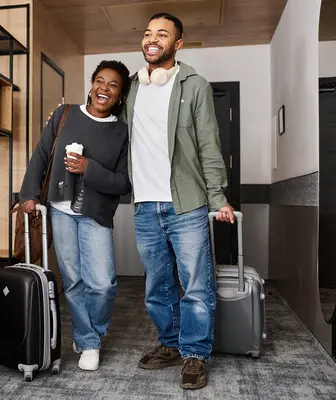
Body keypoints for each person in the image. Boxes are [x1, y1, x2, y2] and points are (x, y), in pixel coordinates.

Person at [123, 13, 235, 390]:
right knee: (157, 286)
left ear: (178, 44)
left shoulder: (195, 85)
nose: (152, 39)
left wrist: (218, 197)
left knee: (196, 284)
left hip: (186, 203)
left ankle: (195, 354)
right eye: (147, 33)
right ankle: (170, 344)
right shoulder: (132, 88)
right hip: (145, 205)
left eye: (162, 34)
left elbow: (209, 144)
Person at [19, 60, 132, 372]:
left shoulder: (121, 132)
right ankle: (89, 342)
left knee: (103, 284)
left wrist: (88, 169)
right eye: (99, 81)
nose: (103, 89)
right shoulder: (64, 114)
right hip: (60, 210)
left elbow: (123, 183)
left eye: (112, 85)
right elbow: (41, 153)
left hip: (95, 214)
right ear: (92, 84)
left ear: (120, 95)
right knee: (74, 281)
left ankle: (89, 332)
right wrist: (28, 194)